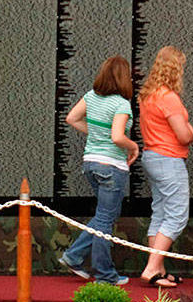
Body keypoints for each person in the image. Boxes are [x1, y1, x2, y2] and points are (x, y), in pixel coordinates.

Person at [56, 55, 139, 286]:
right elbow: (117, 137)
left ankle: (73, 256)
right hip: (112, 166)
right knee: (105, 219)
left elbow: (71, 118)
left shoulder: (91, 97)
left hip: (90, 163)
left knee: (104, 216)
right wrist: (134, 147)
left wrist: (94, 133)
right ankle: (105, 275)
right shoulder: (122, 104)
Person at [137, 46, 193, 288]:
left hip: (152, 156)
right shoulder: (168, 97)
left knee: (160, 212)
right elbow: (184, 136)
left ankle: (158, 268)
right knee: (177, 214)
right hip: (169, 159)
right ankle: (151, 268)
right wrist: (191, 130)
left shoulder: (147, 95)